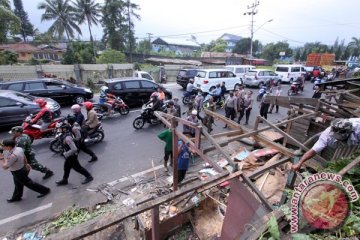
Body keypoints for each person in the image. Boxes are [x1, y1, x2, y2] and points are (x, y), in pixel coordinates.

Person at [291, 118, 360, 172]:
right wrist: (299, 163)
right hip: (332, 142)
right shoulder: (327, 135)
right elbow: (313, 150)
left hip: (355, 141)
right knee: (316, 138)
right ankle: (301, 150)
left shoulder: (358, 127)